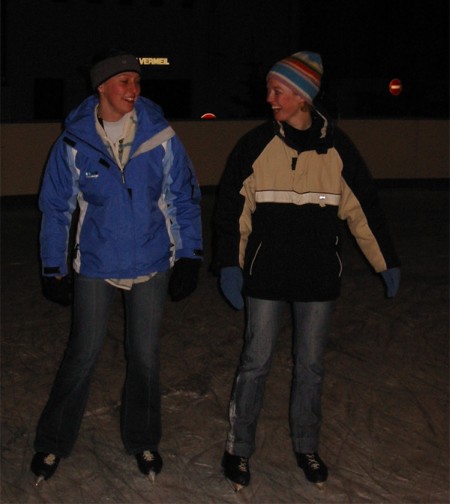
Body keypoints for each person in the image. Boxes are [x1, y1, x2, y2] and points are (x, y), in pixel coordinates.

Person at [213, 51, 401, 491]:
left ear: (302, 96)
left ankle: (306, 445)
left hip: (317, 276)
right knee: (255, 363)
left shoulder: (338, 149)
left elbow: (364, 210)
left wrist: (386, 261)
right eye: (269, 90)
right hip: (265, 275)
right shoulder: (255, 145)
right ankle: (239, 448)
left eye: (278, 91)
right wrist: (228, 264)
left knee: (311, 366)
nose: (269, 98)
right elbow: (231, 212)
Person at [31, 49, 203, 485]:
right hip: (96, 261)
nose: (134, 89)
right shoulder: (74, 142)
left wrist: (189, 255)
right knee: (83, 352)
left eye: (137, 82)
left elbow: (182, 197)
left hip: (151, 258)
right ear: (102, 87)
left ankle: (143, 439)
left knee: (144, 356)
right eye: (124, 81)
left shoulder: (160, 136)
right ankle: (53, 441)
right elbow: (56, 209)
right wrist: (53, 266)